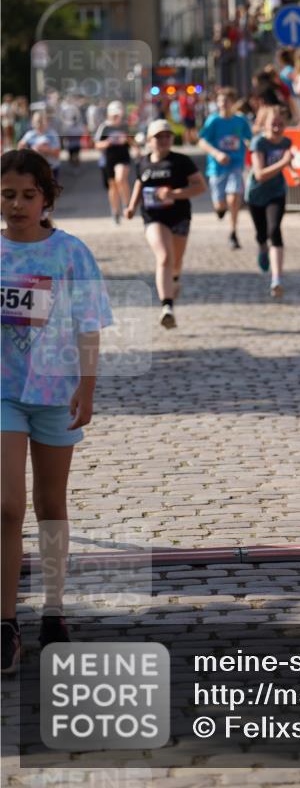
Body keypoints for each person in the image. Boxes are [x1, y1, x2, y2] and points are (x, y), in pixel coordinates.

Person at [1, 149, 112, 674]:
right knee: (6, 507)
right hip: (2, 394)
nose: (17, 205)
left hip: (55, 391)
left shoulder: (71, 252)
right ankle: (5, 623)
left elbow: (88, 323)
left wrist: (87, 388)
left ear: (47, 198)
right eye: (7, 195)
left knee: (50, 504)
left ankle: (52, 611)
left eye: (28, 195)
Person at [125, 120, 206, 329]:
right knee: (164, 257)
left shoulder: (181, 161)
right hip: (153, 218)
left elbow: (200, 186)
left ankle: (174, 280)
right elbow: (139, 184)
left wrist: (175, 194)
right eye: (158, 137)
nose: (163, 140)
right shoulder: (142, 163)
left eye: (167, 136)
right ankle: (167, 307)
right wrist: (132, 206)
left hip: (179, 217)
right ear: (150, 140)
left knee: (176, 262)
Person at [246, 104, 299, 299]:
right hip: (256, 194)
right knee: (262, 234)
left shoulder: (286, 141)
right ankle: (262, 247)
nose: (277, 128)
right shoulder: (258, 143)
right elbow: (259, 175)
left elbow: (287, 161)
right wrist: (284, 163)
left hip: (277, 192)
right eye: (273, 124)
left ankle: (276, 279)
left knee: (274, 230)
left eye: (281, 124)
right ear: (265, 125)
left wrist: (292, 171)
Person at [198, 88, 253, 248]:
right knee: (221, 205)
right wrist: (216, 154)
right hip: (217, 168)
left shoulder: (240, 120)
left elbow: (249, 138)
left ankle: (233, 232)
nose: (223, 104)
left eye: (226, 101)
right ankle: (220, 209)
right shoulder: (213, 121)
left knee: (234, 198)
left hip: (235, 164)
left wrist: (251, 148)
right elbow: (202, 141)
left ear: (233, 103)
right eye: (220, 101)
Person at [94, 101, 133, 225]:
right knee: (113, 186)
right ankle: (115, 211)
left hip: (123, 157)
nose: (117, 118)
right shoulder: (105, 127)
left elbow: (133, 142)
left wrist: (127, 140)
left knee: (121, 178)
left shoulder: (125, 126)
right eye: (114, 115)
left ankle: (127, 204)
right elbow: (97, 145)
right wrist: (109, 142)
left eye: (118, 115)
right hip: (109, 159)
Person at [18, 110, 62, 180]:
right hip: (34, 170)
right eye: (37, 121)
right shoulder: (29, 134)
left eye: (41, 120)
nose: (39, 123)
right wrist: (26, 148)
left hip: (50, 169)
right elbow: (20, 148)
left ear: (46, 122)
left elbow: (57, 153)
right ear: (32, 122)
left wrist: (43, 149)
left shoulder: (52, 134)